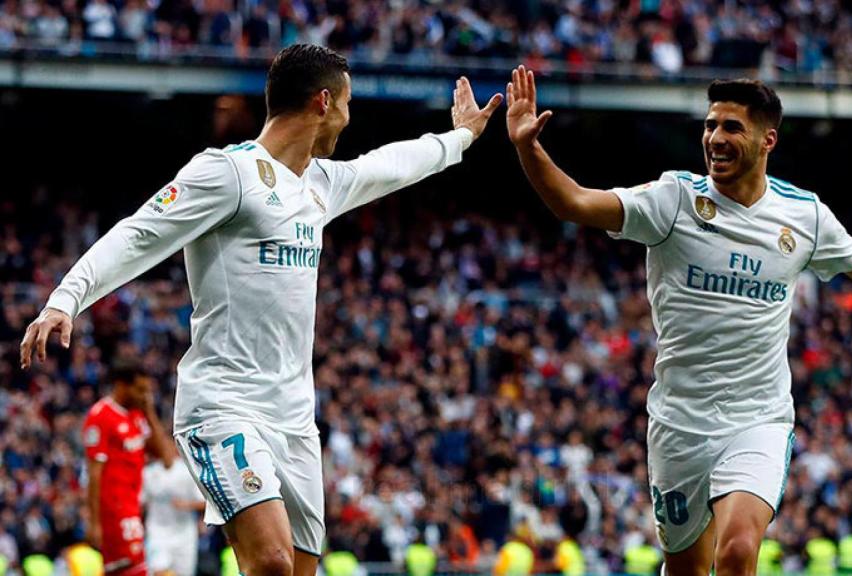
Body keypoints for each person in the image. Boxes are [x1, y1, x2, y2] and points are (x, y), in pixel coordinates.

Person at [504, 66, 852, 576]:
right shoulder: (673, 200)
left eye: (732, 127)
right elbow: (573, 202)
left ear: (767, 140)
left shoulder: (805, 216)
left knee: (738, 550)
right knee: (686, 569)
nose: (715, 138)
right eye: (710, 126)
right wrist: (528, 147)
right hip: (679, 425)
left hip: (758, 419)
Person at [20, 44, 503, 576]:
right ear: (323, 102)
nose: (349, 117)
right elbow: (138, 233)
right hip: (223, 405)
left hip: (294, 420)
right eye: (347, 103)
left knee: (297, 569)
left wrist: (461, 137)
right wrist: (66, 298)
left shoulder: (320, 185)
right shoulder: (228, 173)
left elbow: (390, 166)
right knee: (271, 561)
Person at [82, 363, 176, 576]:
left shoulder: (137, 415)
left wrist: (150, 412)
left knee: (122, 570)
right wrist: (94, 522)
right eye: (140, 389)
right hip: (113, 509)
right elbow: (94, 474)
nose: (145, 396)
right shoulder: (101, 416)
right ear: (121, 385)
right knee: (133, 569)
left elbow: (167, 459)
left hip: (133, 506)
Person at [142, 455, 206, 576]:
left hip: (184, 534)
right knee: (159, 571)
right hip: (157, 532)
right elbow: (140, 502)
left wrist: (187, 505)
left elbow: (206, 502)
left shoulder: (187, 471)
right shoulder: (149, 472)